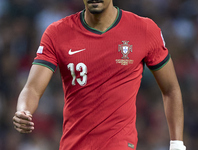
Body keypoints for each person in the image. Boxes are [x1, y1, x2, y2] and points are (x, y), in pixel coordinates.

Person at [12, 0, 186, 150]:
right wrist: (23, 110)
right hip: (74, 145)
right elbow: (33, 88)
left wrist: (177, 144)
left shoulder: (144, 29)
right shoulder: (57, 33)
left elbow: (170, 89)